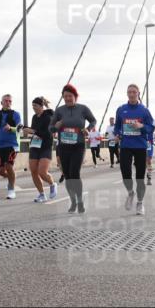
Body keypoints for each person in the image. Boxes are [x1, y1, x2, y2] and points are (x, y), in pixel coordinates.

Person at [52, 84, 97, 213]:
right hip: (63, 147)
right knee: (67, 176)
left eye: (70, 96)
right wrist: (56, 126)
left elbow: (93, 121)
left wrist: (87, 129)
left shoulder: (83, 109)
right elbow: (51, 128)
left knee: (74, 174)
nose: (67, 98)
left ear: (75, 96)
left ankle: (80, 201)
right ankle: (72, 201)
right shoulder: (59, 110)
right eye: (65, 96)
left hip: (78, 146)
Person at [114, 84, 155, 215]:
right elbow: (117, 126)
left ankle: (140, 203)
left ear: (138, 93)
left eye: (134, 92)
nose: (131, 94)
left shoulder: (144, 110)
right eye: (129, 92)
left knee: (139, 177)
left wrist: (141, 126)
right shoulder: (121, 109)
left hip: (140, 146)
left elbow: (151, 127)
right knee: (125, 173)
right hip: (126, 145)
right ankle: (131, 193)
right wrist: (117, 134)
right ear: (127, 94)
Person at [24, 96, 57, 202]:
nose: (34, 108)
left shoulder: (47, 117)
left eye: (36, 106)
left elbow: (47, 134)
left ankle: (52, 184)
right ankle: (41, 194)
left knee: (42, 172)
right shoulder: (34, 117)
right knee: (33, 171)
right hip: (35, 146)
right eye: (33, 106)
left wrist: (33, 131)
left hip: (46, 146)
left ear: (41, 106)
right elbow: (35, 129)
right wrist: (26, 128)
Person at [0, 94, 21, 199]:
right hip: (0, 145)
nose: (8, 102)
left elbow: (20, 128)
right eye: (6, 101)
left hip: (12, 145)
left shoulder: (15, 114)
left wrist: (11, 128)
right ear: (1, 102)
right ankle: (11, 179)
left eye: (9, 101)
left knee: (8, 166)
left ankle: (11, 190)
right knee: (0, 171)